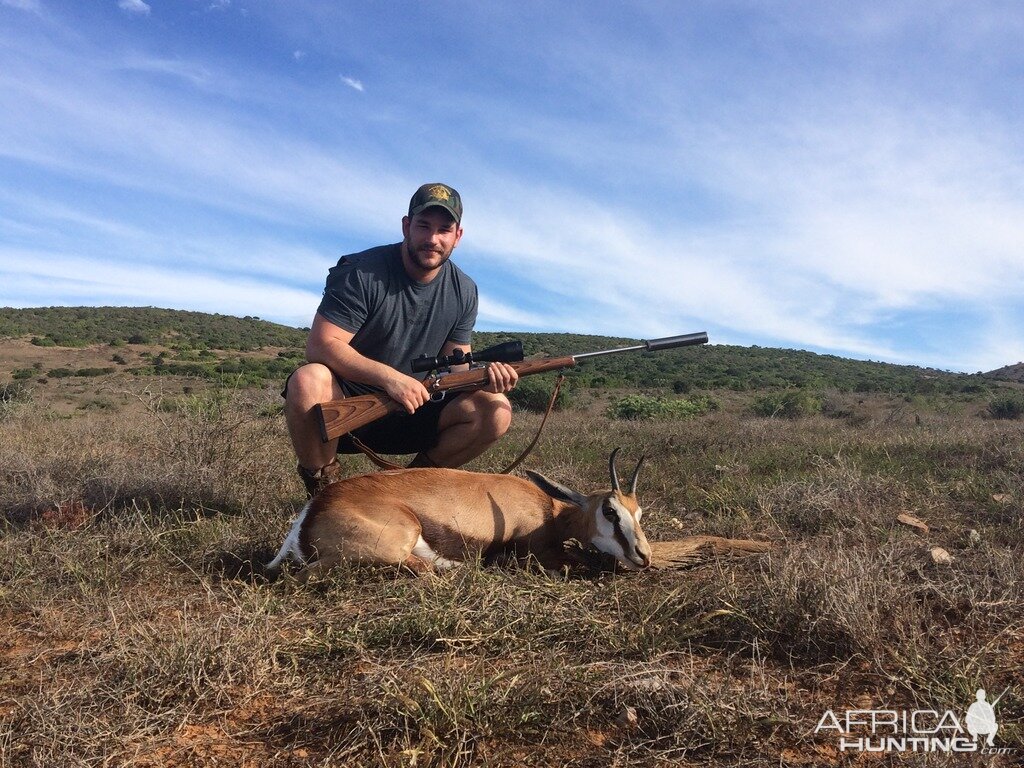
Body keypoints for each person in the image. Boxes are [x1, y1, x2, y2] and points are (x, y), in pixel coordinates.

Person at [283, 182, 518, 497]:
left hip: (413, 408)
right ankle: (324, 494)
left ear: (457, 236)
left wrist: (484, 381)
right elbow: (321, 344)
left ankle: (403, 494)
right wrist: (389, 378)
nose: (432, 239)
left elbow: (458, 368)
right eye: (423, 226)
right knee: (308, 379)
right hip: (347, 413)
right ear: (407, 226)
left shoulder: (464, 290)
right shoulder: (361, 272)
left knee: (496, 409)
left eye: (444, 229)